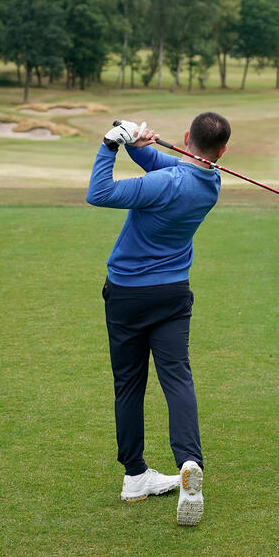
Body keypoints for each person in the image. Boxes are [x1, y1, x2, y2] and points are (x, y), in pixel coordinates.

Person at [86, 113, 231, 526]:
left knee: (129, 384)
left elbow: (98, 193)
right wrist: (136, 143)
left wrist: (109, 145)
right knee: (177, 378)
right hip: (172, 295)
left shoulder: (165, 183)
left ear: (185, 137)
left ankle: (135, 474)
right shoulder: (211, 183)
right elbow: (165, 164)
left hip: (127, 295)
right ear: (222, 152)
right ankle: (189, 462)